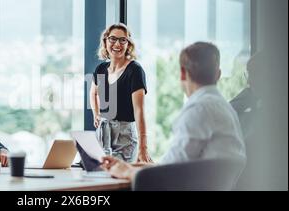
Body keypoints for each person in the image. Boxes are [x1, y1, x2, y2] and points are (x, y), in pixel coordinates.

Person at [102, 42, 246, 181]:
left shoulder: (198, 110)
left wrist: (126, 171)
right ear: (218, 74)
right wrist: (130, 166)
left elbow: (168, 174)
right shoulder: (225, 108)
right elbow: (175, 164)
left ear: (183, 74)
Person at [90, 23, 151, 163]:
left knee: (121, 179)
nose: (117, 43)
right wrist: (96, 113)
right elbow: (93, 93)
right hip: (103, 134)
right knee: (101, 178)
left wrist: (143, 148)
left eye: (122, 40)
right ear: (105, 41)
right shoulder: (101, 68)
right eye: (112, 39)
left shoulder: (135, 70)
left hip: (125, 136)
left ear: (128, 44)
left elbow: (139, 111)